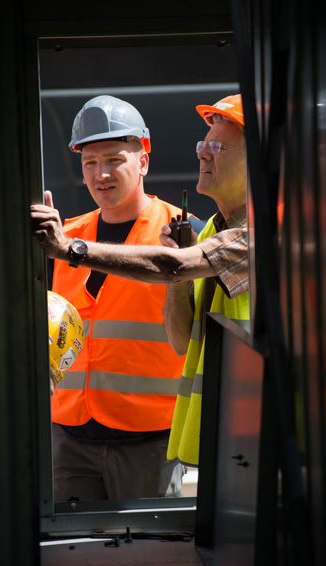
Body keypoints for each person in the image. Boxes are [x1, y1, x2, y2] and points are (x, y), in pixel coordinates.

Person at [31, 93, 250, 472]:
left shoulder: (187, 234)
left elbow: (173, 268)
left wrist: (69, 249)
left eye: (114, 160)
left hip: (153, 437)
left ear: (143, 162)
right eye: (90, 163)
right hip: (69, 431)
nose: (101, 174)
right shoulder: (64, 235)